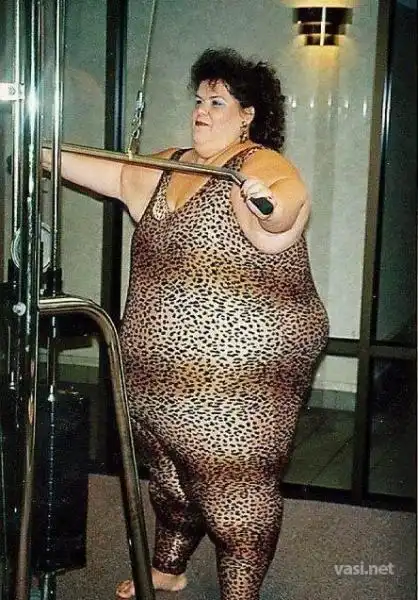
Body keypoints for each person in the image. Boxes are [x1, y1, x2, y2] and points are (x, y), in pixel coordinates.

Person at [43, 47, 328, 600]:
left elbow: (284, 206)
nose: (201, 110)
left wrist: (267, 204)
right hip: (156, 378)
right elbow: (107, 170)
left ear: (247, 115)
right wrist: (43, 153)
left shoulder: (255, 165)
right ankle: (168, 570)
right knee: (171, 482)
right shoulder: (171, 164)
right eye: (199, 100)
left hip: (237, 379)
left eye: (217, 102)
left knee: (233, 493)